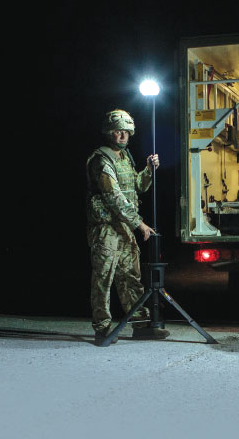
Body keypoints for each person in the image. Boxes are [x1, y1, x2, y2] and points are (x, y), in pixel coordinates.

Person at [86, 109, 170, 345]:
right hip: (106, 229)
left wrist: (149, 170)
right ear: (108, 132)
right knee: (103, 279)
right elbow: (114, 197)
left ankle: (141, 325)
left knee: (131, 277)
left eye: (126, 132)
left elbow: (137, 187)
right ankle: (102, 328)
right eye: (117, 131)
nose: (122, 136)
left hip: (123, 227)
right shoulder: (101, 160)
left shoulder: (125, 158)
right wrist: (139, 224)